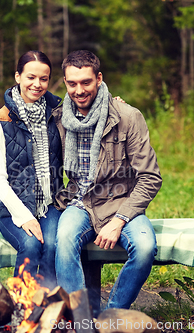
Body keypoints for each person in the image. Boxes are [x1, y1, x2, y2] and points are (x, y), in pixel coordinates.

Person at [54, 50, 163, 309]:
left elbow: (150, 176)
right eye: (72, 83)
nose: (79, 90)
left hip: (121, 202)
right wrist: (4, 112)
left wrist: (119, 221)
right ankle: (81, 320)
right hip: (80, 202)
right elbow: (29, 100)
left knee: (145, 247)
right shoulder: (59, 118)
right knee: (65, 240)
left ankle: (111, 316)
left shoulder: (127, 116)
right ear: (65, 82)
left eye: (86, 82)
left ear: (99, 78)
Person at [0, 51, 63, 288]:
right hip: (13, 209)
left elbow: (88, 107)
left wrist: (115, 103)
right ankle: (23, 311)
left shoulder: (57, 112)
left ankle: (51, 307)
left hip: (49, 204)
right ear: (18, 76)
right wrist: (24, 217)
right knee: (31, 244)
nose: (37, 84)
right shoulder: (1, 120)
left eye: (44, 79)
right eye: (31, 77)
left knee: (53, 245)